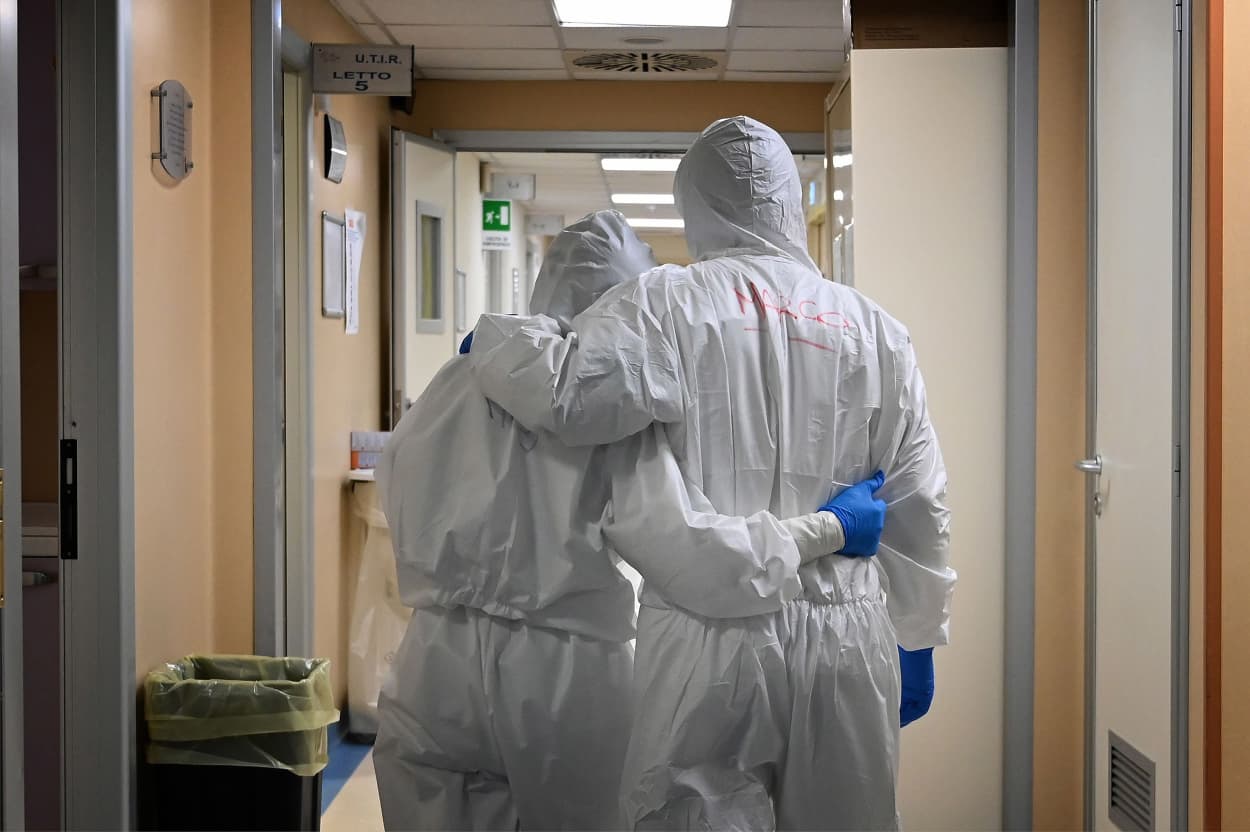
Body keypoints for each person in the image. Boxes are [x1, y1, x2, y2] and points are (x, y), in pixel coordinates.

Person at [467, 117, 956, 830]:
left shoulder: (666, 303)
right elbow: (919, 499)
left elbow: (567, 395)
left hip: (709, 644)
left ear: (694, 205)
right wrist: (918, 634)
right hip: (847, 638)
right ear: (790, 202)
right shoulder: (876, 329)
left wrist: (494, 342)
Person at [373, 209, 885, 832]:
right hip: (563, 669)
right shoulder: (613, 408)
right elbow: (694, 555)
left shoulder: (455, 377)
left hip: (432, 660)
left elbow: (393, 490)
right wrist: (829, 527)